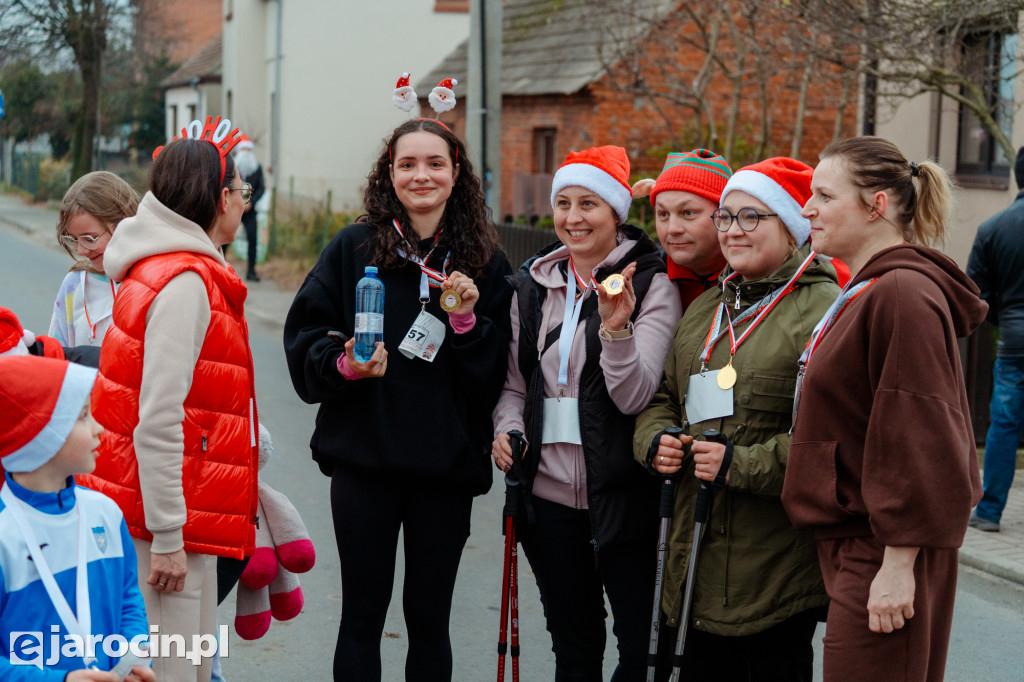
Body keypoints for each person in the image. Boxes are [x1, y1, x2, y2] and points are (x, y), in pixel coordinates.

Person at [284, 117, 513, 681]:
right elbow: (306, 335)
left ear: (456, 172)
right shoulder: (352, 247)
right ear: (389, 173)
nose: (421, 176)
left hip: (445, 467)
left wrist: (464, 321)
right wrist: (344, 364)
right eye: (407, 164)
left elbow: (497, 376)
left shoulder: (485, 260)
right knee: (361, 616)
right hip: (365, 460)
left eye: (435, 163)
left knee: (430, 620)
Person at [783, 136, 985, 682]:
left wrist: (897, 564)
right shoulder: (870, 289)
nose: (808, 209)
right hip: (861, 541)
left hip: (885, 550)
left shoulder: (901, 294)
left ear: (876, 205)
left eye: (825, 196)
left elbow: (922, 434)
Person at [634, 157, 838, 681]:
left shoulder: (825, 312)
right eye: (725, 217)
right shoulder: (707, 308)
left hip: (772, 576)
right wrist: (655, 440)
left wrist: (737, 465)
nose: (733, 230)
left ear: (789, 228)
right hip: (692, 557)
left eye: (751, 217)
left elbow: (830, 442)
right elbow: (664, 397)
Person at [492, 145, 682, 680]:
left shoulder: (652, 284)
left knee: (641, 654)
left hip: (626, 498)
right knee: (574, 651)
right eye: (564, 204)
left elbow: (635, 396)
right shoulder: (532, 286)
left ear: (616, 212)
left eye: (589, 204)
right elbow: (513, 386)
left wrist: (616, 330)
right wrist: (507, 428)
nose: (573, 218)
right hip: (548, 501)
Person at [78, 129, 260, 682]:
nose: (244, 203)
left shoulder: (166, 267)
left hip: (170, 513)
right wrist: (167, 537)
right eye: (242, 192)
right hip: (163, 525)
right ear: (220, 198)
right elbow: (157, 422)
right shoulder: (184, 282)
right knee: (172, 670)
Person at [0, 355, 154, 682]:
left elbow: (128, 598)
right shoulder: (5, 536)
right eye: (83, 416)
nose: (99, 428)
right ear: (41, 436)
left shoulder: (106, 513)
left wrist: (134, 656)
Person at [966, 146, 1024, 533]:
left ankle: (988, 512)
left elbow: (976, 295)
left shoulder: (993, 228)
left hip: (1014, 342)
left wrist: (1006, 318)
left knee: (1003, 426)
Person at [49, 171, 141, 347]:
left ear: (123, 225)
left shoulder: (149, 281)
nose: (81, 250)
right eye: (73, 239)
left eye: (89, 239)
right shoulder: (73, 285)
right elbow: (56, 352)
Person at [234, 137, 265, 282]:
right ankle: (220, 267)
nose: (245, 152)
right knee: (225, 238)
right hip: (234, 208)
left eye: (248, 149)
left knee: (253, 238)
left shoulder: (257, 168)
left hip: (250, 210)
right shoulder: (232, 168)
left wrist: (251, 202)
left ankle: (251, 271)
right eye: (243, 149)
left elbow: (261, 188)